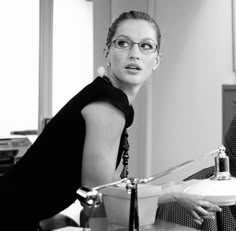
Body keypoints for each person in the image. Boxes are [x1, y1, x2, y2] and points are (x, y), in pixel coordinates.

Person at [0, 10, 221, 230]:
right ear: (107, 52)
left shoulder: (107, 97)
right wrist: (173, 192)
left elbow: (114, 186)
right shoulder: (108, 104)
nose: (134, 54)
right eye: (123, 43)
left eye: (145, 46)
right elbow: (98, 196)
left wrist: (173, 187)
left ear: (156, 59)